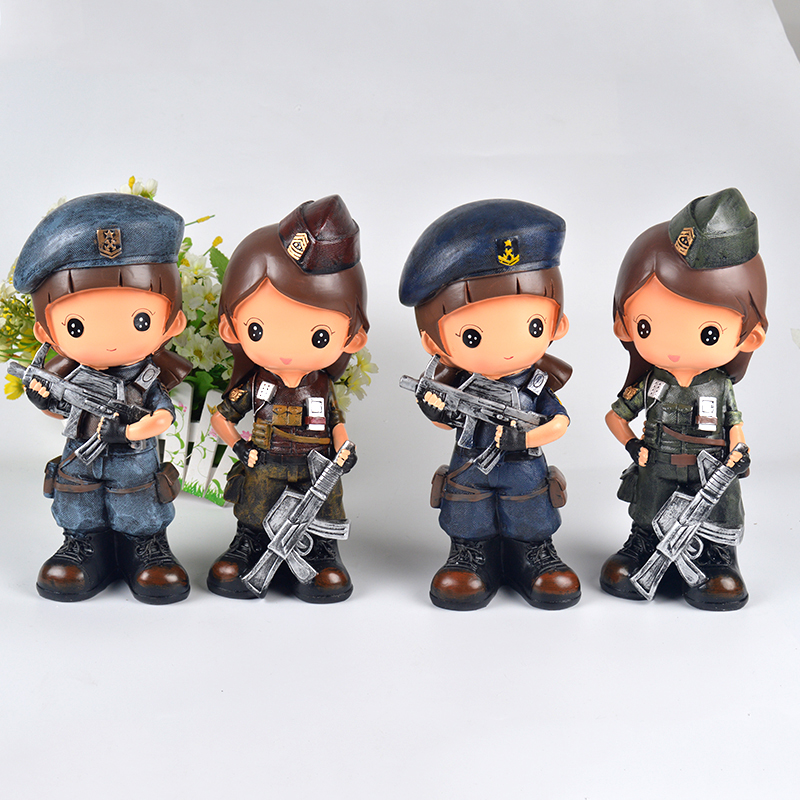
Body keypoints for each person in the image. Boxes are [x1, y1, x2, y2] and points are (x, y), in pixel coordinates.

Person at [399, 199, 580, 611]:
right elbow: (448, 420)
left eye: (533, 325)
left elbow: (559, 423)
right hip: (471, 463)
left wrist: (524, 438)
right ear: (433, 343)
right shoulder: (465, 384)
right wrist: (436, 408)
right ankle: (470, 553)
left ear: (558, 325)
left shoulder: (535, 384)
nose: (506, 347)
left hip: (523, 468)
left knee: (530, 510)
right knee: (468, 506)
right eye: (473, 335)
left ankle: (534, 553)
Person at [13, 192, 191, 603]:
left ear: (173, 322)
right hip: (81, 454)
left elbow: (163, 416)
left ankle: (145, 548)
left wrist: (130, 431)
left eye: (140, 320)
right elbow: (65, 408)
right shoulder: (76, 376)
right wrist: (43, 398)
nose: (110, 339)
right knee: (77, 495)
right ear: (45, 332)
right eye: (75, 325)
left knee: (138, 502)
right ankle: (83, 544)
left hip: (134, 461)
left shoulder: (146, 378)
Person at [601, 187, 767, 610]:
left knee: (714, 519)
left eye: (708, 332)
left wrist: (738, 452)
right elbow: (616, 417)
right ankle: (644, 545)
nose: (673, 345)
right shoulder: (651, 382)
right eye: (646, 326)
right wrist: (633, 445)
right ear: (625, 324)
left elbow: (734, 424)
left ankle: (715, 559)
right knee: (648, 513)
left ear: (749, 336)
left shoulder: (719, 385)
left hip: (708, 471)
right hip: (657, 465)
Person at [207, 195, 368, 603]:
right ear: (231, 328)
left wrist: (344, 448)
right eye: (258, 329)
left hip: (314, 467)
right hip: (265, 461)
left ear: (352, 338)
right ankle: (249, 543)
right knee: (255, 507)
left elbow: (335, 423)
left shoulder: (321, 386)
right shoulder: (256, 383)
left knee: (322, 509)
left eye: (319, 335)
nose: (286, 349)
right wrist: (240, 448)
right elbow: (222, 418)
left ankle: (322, 552)